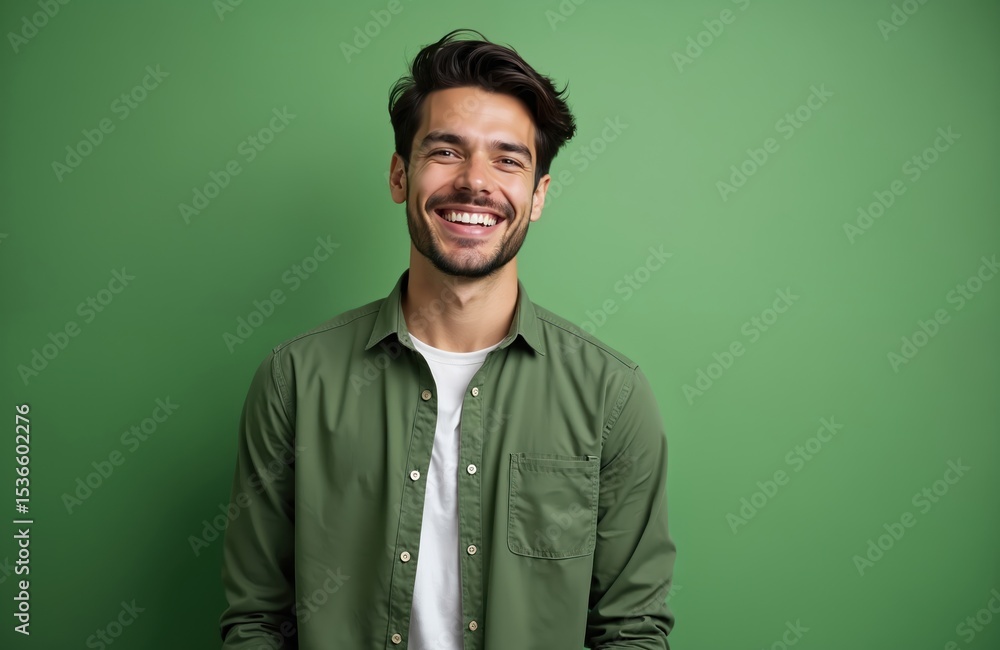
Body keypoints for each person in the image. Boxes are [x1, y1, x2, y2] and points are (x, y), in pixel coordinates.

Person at [219, 28, 676, 649]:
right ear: (399, 175)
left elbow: (630, 632)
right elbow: (256, 621)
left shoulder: (612, 397)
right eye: (446, 151)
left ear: (537, 195)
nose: (475, 182)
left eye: (508, 159)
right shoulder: (294, 380)